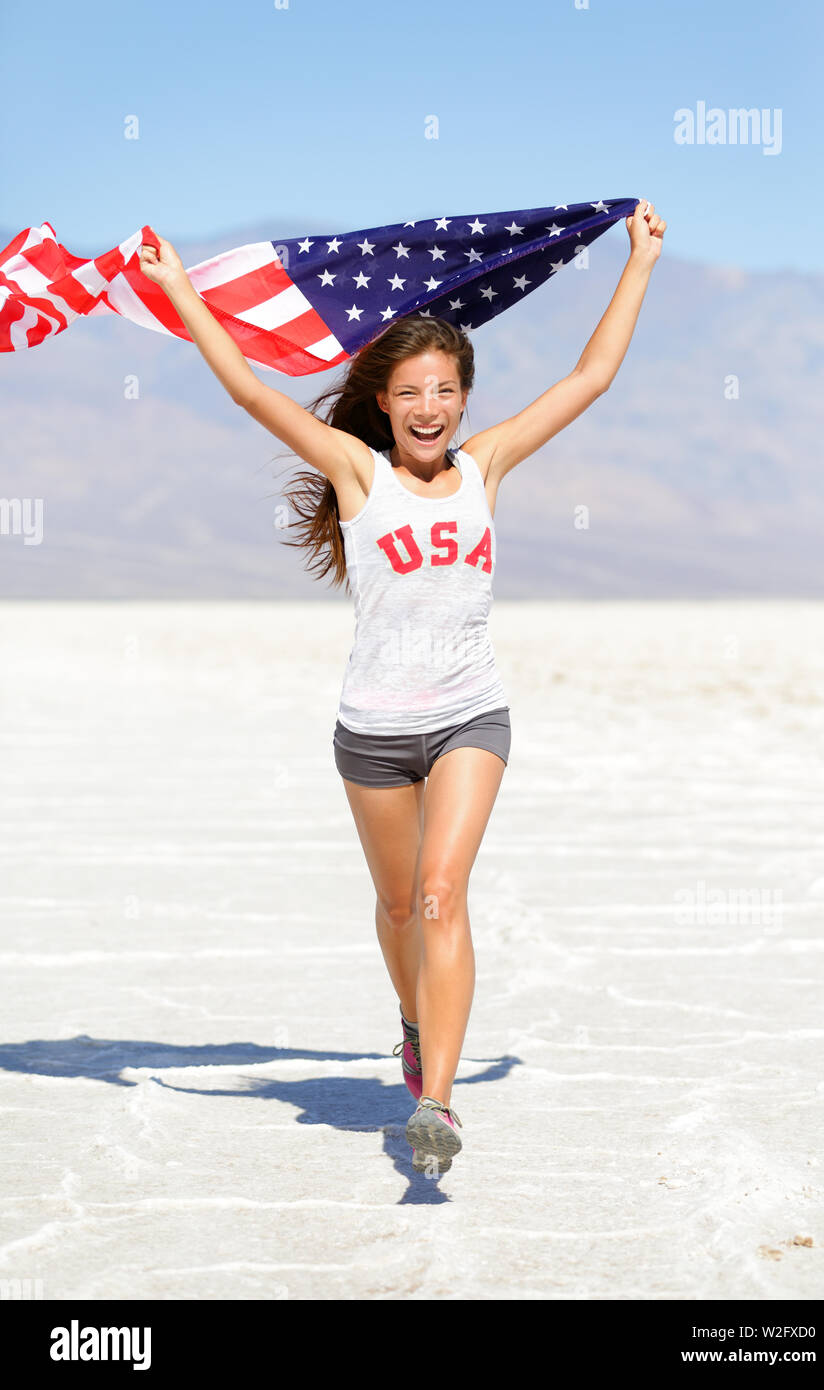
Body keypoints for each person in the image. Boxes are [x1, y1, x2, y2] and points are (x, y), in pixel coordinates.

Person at [138, 199, 666, 1175]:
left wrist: (635, 258)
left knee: (437, 893)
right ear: (384, 401)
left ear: (464, 398)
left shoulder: (485, 466)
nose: (429, 407)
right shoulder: (355, 473)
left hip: (469, 712)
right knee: (394, 910)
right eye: (411, 391)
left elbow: (588, 378)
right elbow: (255, 397)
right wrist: (178, 290)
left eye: (445, 390)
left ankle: (438, 1102)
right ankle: (415, 1028)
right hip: (371, 730)